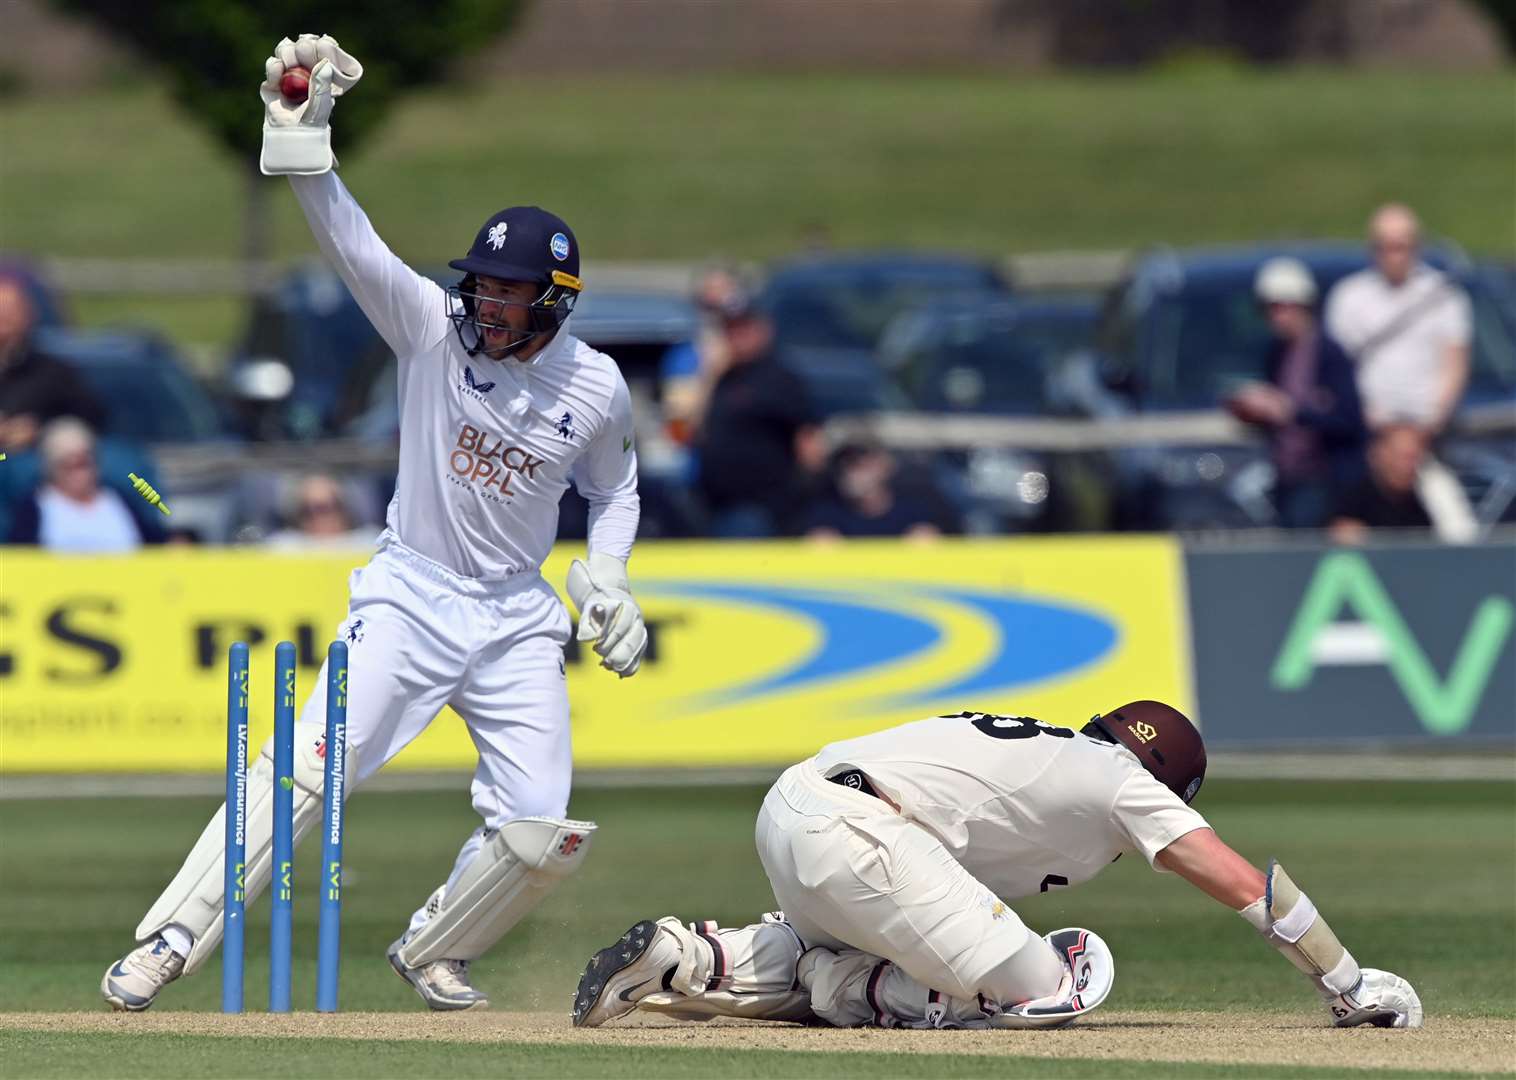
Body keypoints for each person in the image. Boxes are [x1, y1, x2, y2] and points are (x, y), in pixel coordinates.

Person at [102, 34, 645, 1014]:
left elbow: (617, 488)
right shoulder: (431, 331)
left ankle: (436, 948)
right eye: (481, 282)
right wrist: (303, 145)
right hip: (412, 593)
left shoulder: (596, 387)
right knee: (311, 767)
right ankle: (175, 937)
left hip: (517, 614)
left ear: (555, 304)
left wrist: (606, 579)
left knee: (539, 825)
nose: (486, 300)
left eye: (508, 291)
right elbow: (354, 243)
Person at [572, 702, 1421, 1032]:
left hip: (795, 808)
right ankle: (842, 989)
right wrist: (1348, 980)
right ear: (1171, 783)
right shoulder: (1123, 781)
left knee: (866, 934)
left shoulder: (1060, 756)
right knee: (1048, 985)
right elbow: (1243, 883)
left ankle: (689, 957)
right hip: (861, 830)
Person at [1226, 258, 1366, 529]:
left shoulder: (1329, 353)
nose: (1277, 317)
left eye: (1282, 308)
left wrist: (1292, 411)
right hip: (1285, 474)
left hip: (1322, 477)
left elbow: (1348, 419)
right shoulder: (1276, 353)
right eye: (1270, 310)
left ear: (1304, 306)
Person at [1325, 204, 1471, 436]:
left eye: (1401, 247)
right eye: (1384, 247)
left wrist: (1433, 421)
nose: (1394, 257)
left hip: (1428, 428)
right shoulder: (1349, 296)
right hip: (1367, 428)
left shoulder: (1442, 296)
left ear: (1417, 246)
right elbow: (1336, 367)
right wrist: (1360, 414)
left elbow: (1455, 363)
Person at [693, 290, 826, 536]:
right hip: (716, 504)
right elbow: (695, 430)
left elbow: (809, 441)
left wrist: (806, 498)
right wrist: (710, 375)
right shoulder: (722, 379)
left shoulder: (779, 379)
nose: (737, 337)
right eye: (730, 330)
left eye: (744, 328)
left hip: (761, 509)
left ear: (763, 329)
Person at [5, 418, 154, 551]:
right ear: (51, 467)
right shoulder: (35, 507)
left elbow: (154, 546)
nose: (79, 473)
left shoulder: (119, 499)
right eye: (68, 464)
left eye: (84, 463)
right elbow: (20, 557)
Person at [0, 273, 106, 453]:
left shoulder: (52, 373)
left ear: (28, 316)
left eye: (12, 311)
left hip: (29, 462)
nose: (5, 318)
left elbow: (91, 417)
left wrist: (40, 429)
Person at [804, 441, 959, 540]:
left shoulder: (916, 513)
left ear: (883, 467)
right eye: (844, 466)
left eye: (859, 465)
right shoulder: (826, 514)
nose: (850, 473)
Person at [1329, 423, 1435, 543]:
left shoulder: (1431, 497)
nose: (1408, 466)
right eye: (1403, 457)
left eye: (1414, 457)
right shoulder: (1351, 498)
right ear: (1378, 455)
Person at [265, 473, 382, 550]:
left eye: (323, 508)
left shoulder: (370, 543)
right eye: (306, 510)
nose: (316, 516)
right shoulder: (283, 546)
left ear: (343, 508)